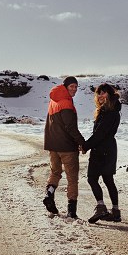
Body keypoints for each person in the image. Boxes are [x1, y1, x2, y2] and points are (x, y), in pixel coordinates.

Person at [43, 76, 86, 218]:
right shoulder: (66, 102)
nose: (74, 89)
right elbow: (70, 127)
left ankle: (49, 193)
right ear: (65, 87)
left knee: (55, 173)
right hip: (67, 147)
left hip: (53, 146)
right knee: (72, 179)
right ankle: (71, 211)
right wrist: (81, 142)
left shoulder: (53, 101)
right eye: (71, 86)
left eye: (76, 86)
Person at [82, 83, 122, 224]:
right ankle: (115, 212)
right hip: (109, 148)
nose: (100, 96)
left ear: (110, 95)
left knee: (92, 178)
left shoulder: (109, 113)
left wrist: (86, 145)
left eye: (103, 93)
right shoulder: (110, 110)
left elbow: (100, 134)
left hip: (102, 150)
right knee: (108, 180)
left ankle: (101, 207)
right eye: (98, 93)